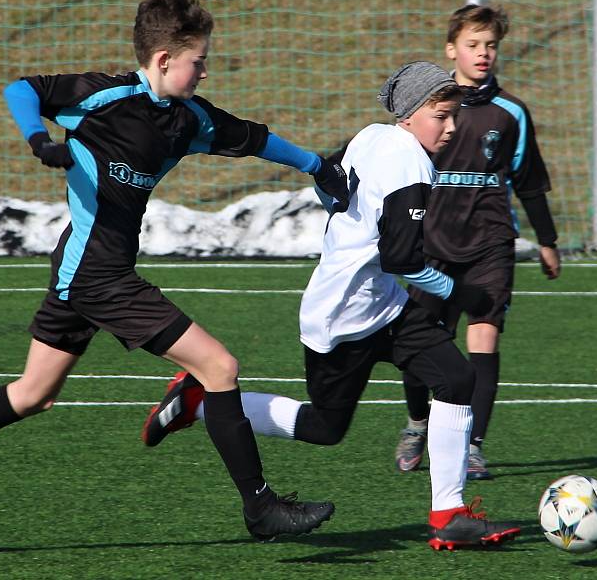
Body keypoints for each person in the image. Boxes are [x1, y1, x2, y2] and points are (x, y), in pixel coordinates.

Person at [0, 0, 349, 543]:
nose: (205, 71)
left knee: (33, 394)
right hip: (99, 274)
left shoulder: (189, 119)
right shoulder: (104, 96)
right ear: (165, 59)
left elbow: (255, 138)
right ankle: (261, 509)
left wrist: (318, 165)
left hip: (84, 269)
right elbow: (21, 88)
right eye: (198, 61)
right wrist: (38, 139)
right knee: (219, 367)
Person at [142, 61, 522, 550]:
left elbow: (329, 179)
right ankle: (194, 403)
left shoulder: (371, 135)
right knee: (324, 428)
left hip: (385, 305)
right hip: (341, 317)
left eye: (454, 117)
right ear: (409, 115)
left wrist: (350, 226)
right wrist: (460, 293)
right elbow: (401, 257)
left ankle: (449, 514)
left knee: (456, 378)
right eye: (441, 116)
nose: (450, 128)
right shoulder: (413, 164)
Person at [393, 4, 561, 481]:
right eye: (472, 45)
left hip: (490, 242)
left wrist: (547, 240)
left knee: (483, 337)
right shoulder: (427, 107)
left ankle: (472, 444)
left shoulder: (510, 113)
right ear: (452, 50)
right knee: (419, 340)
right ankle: (417, 423)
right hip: (431, 242)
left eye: (490, 45)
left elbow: (528, 180)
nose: (483, 53)